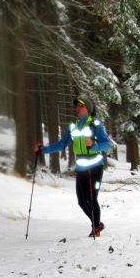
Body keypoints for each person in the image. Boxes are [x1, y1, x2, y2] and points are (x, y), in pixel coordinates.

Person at [35, 95, 111, 237]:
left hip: (95, 167)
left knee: (92, 199)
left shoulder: (95, 124)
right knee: (82, 202)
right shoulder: (73, 126)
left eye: (80, 105)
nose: (77, 108)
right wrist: (42, 150)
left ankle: (95, 228)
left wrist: (94, 145)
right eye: (76, 106)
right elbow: (61, 144)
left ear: (88, 108)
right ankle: (98, 223)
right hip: (81, 167)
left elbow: (106, 144)